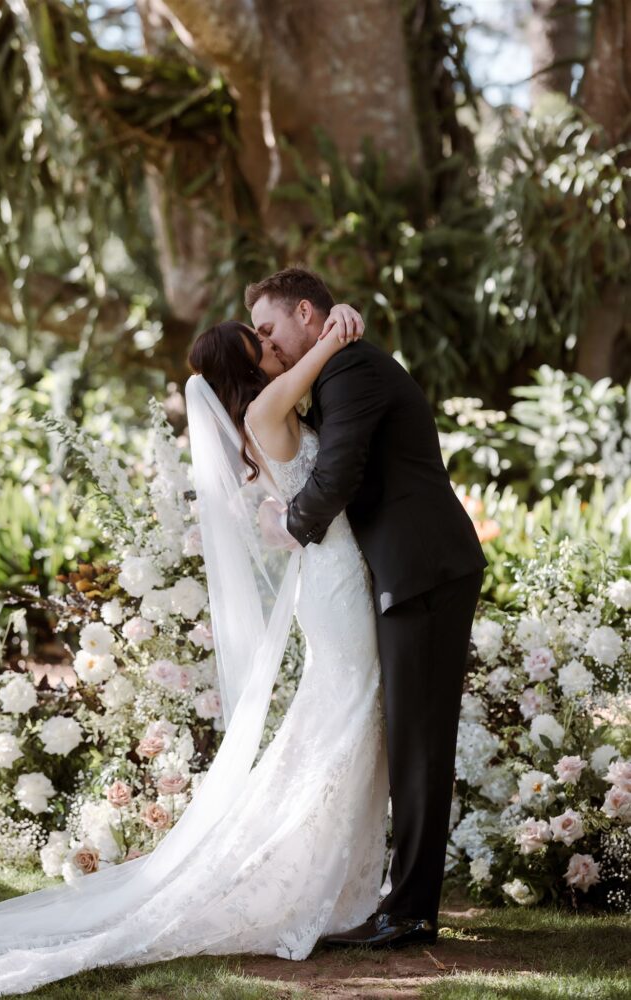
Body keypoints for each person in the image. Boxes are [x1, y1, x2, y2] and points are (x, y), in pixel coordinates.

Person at [0, 300, 392, 999]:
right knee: (348, 717)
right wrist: (338, 327)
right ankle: (311, 878)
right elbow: (325, 351)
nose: (271, 343)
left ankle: (337, 877)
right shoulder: (263, 413)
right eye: (258, 340)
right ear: (246, 366)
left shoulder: (269, 412)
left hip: (336, 575)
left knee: (343, 718)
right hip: (337, 582)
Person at [246, 267, 488, 949]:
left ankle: (409, 911)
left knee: (418, 742)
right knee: (406, 737)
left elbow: (339, 472)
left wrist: (289, 525)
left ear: (304, 312)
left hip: (424, 569)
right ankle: (398, 902)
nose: (271, 345)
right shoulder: (333, 368)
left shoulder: (350, 368)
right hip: (405, 570)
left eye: (271, 330)